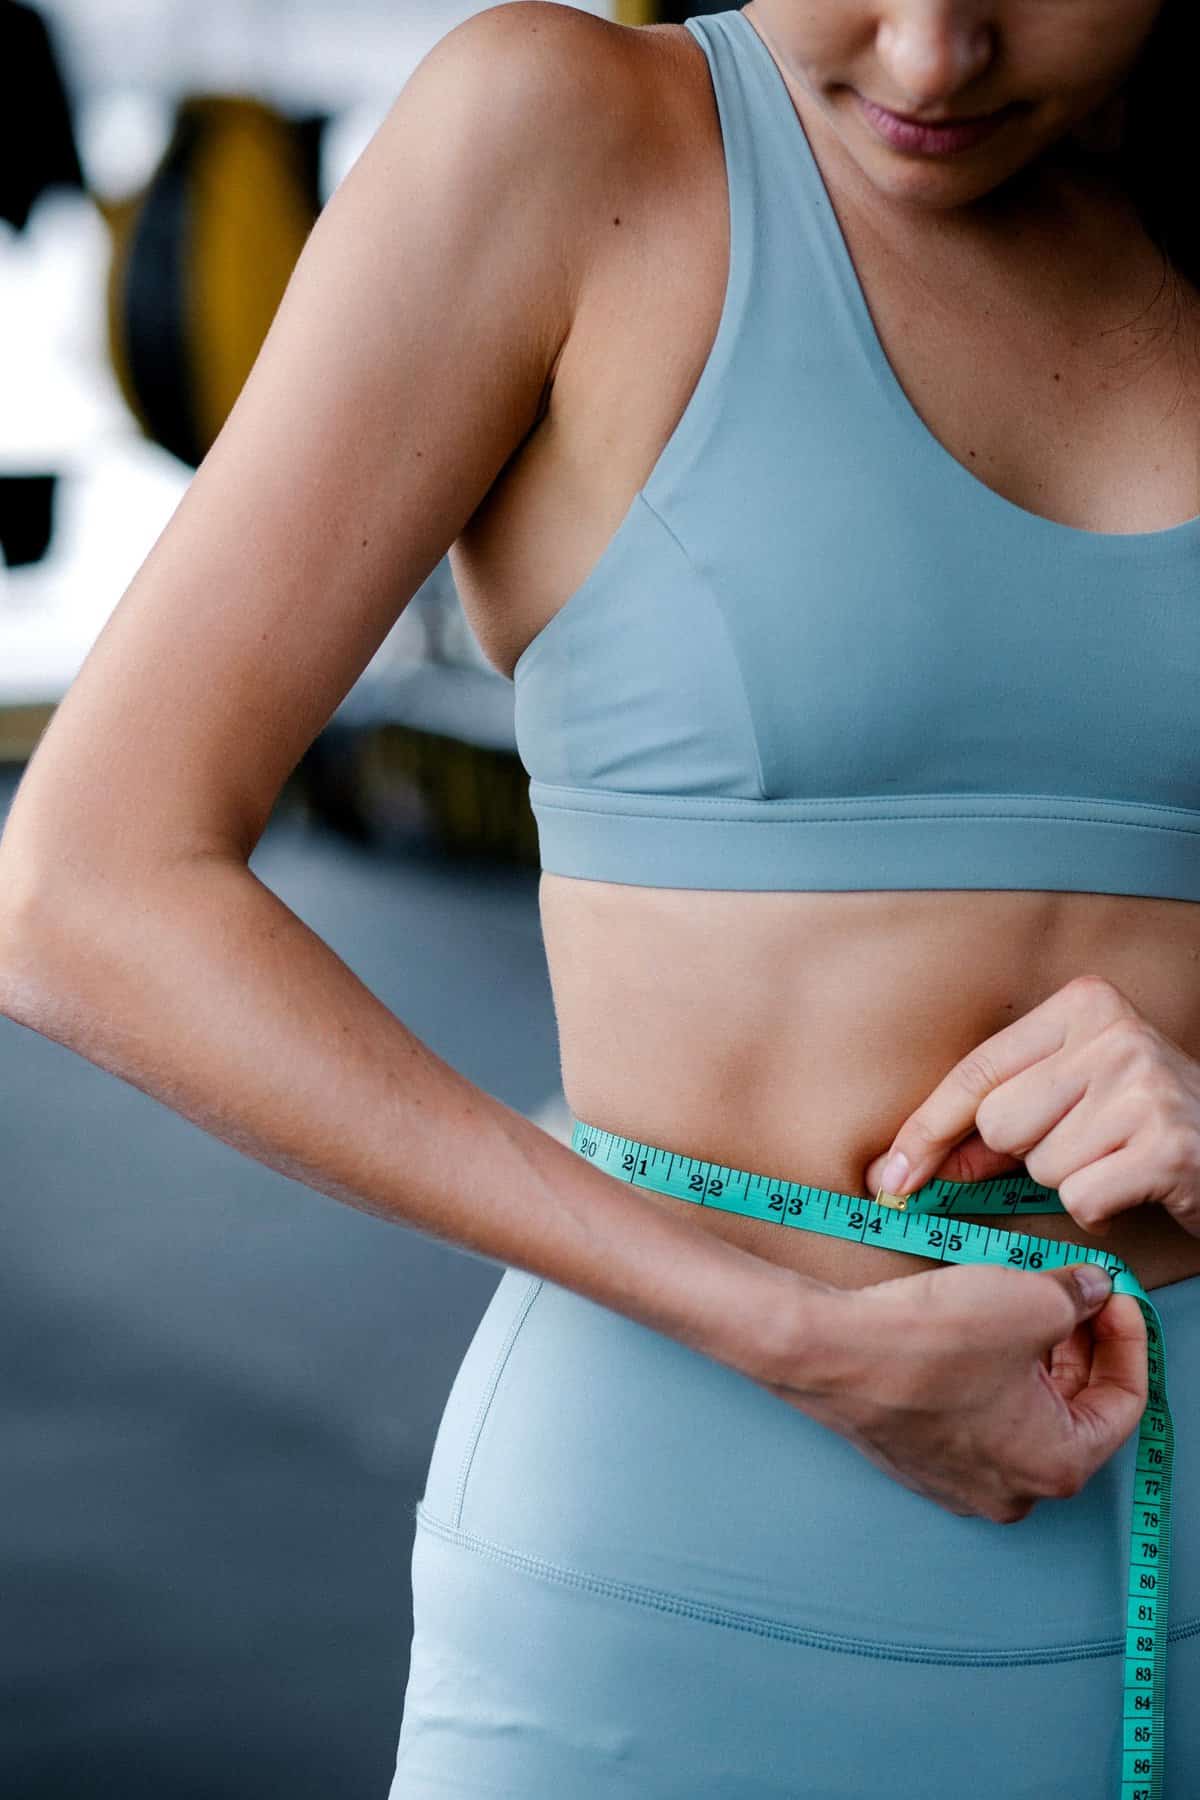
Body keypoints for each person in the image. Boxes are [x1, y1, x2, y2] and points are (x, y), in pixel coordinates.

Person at [1, 1, 1198, 1793]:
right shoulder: (566, 139)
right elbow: (83, 889)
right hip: (686, 1550)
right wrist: (793, 1337)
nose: (935, 52)